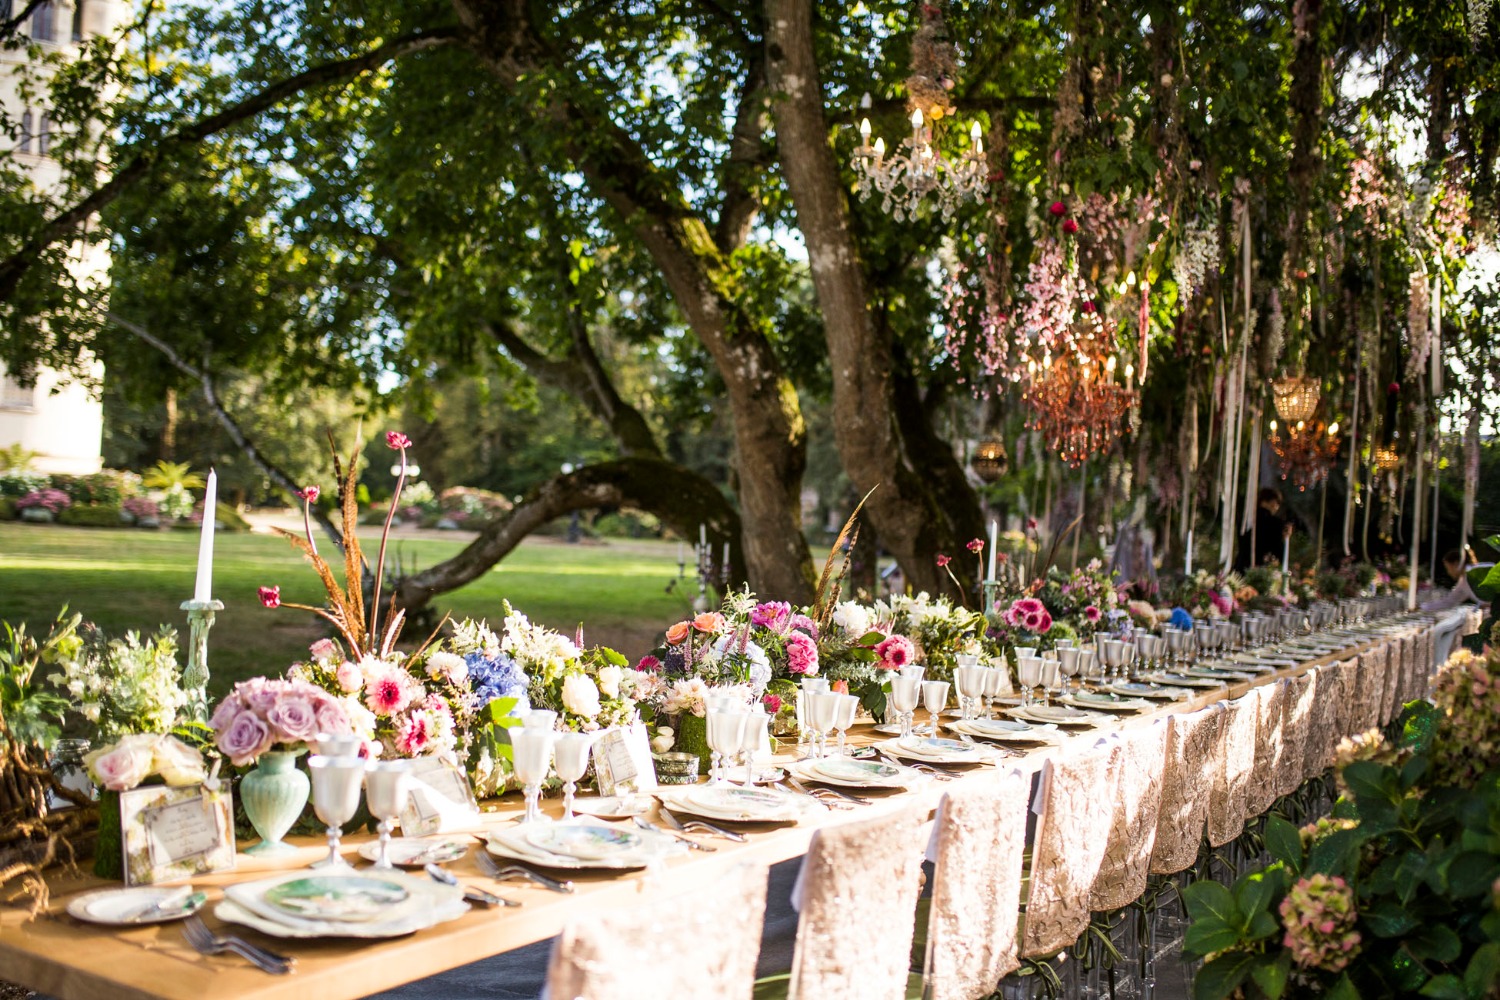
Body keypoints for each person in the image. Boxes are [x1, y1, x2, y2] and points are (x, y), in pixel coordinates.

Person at [1237, 487, 1294, 570]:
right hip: (1263, 569)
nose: (1277, 507)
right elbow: (1279, 552)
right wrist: (1285, 538)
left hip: (1242, 565)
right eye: (1277, 503)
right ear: (1271, 502)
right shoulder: (1276, 523)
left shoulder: (1245, 520)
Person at [1422, 547, 1494, 612]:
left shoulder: (1482, 569)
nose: (1448, 572)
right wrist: (1424, 607)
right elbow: (1450, 601)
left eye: (1448, 568)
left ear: (1456, 564)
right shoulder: (1463, 581)